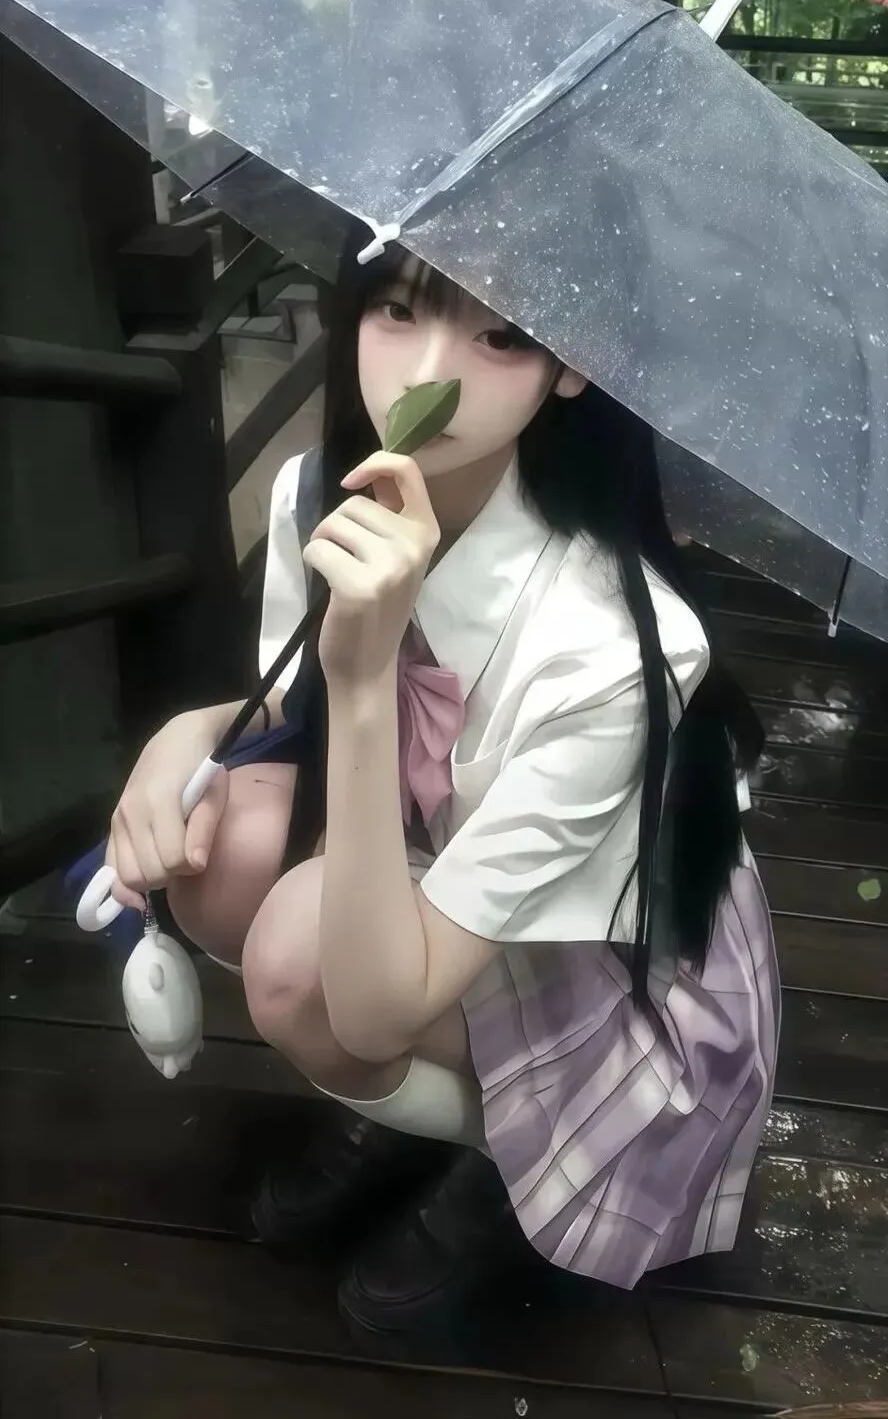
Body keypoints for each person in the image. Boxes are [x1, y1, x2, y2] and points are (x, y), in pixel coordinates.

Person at [105, 227, 780, 1332]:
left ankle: (511, 1157)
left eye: (501, 335)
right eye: (398, 309)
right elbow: (294, 698)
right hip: (439, 866)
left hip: (611, 962)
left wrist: (368, 680)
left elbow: (374, 1010)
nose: (426, 375)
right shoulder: (316, 493)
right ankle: (417, 1116)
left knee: (306, 967)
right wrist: (189, 733)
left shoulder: (617, 644)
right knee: (220, 849)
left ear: (573, 363)